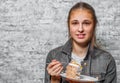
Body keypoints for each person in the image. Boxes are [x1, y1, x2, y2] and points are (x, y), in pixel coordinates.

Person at [44, 2, 117, 83]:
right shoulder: (54, 56)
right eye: (75, 23)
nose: (80, 29)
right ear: (69, 25)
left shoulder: (107, 60)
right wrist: (55, 80)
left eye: (86, 23)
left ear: (94, 25)